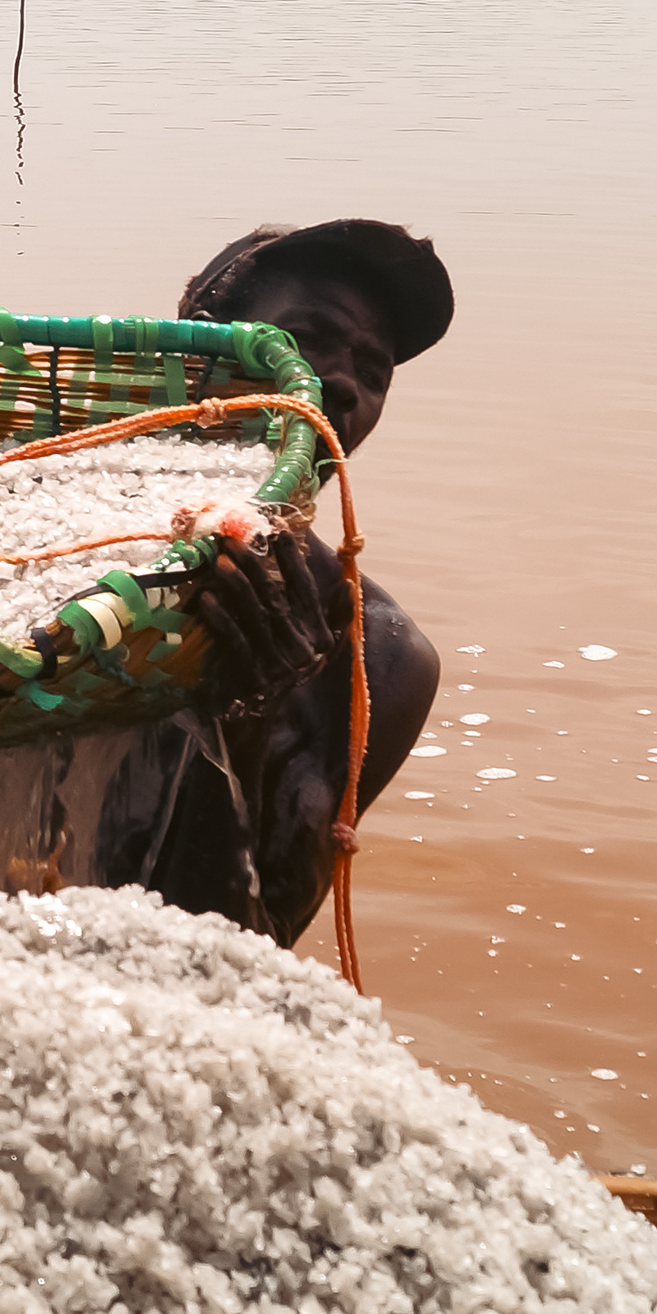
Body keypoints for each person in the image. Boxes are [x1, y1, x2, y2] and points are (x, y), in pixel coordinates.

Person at [75, 220, 451, 942]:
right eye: (305, 339)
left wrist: (251, 710)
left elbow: (250, 949)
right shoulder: (66, 541)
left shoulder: (378, 661)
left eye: (374, 372)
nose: (343, 383)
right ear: (197, 361)